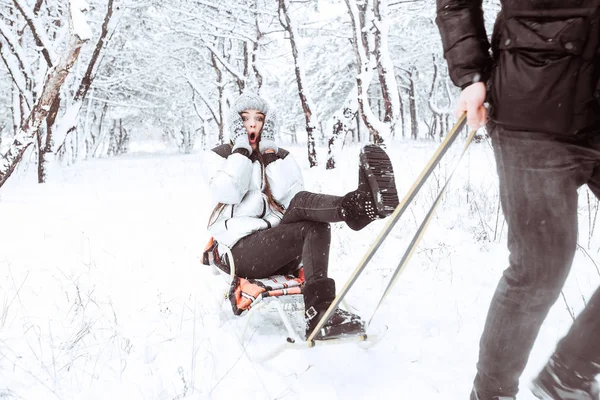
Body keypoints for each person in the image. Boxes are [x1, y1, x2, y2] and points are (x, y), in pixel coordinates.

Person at [436, 1, 600, 399]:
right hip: (534, 104)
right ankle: (491, 394)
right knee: (539, 267)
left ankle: (570, 374)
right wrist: (471, 73)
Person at [202, 91, 399, 340]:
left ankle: (320, 312)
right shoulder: (218, 156)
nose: (252, 124)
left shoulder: (281, 156)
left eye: (259, 118)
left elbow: (290, 196)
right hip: (240, 253)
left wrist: (270, 154)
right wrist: (241, 151)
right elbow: (228, 190)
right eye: (244, 118)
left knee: (314, 222)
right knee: (312, 221)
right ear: (235, 123)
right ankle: (357, 209)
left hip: (278, 248)